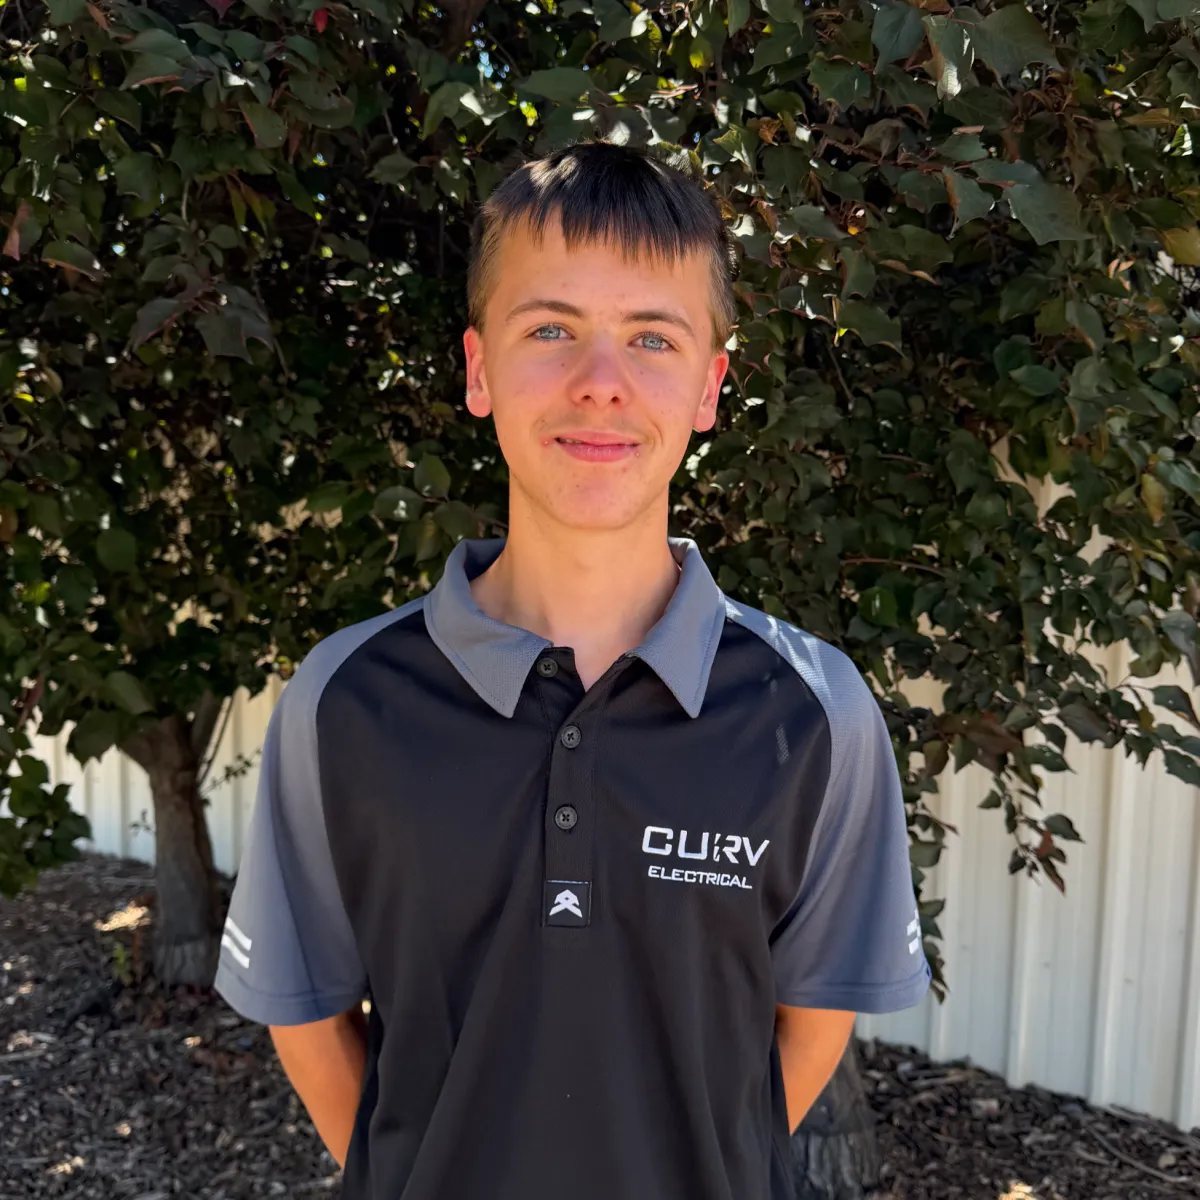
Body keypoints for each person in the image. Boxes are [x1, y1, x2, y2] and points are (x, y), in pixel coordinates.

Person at [213, 139, 930, 1200]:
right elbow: (311, 1022)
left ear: (709, 387)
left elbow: (811, 1020)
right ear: (478, 369)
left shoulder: (816, 712)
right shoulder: (344, 700)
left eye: (652, 338)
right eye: (551, 329)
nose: (600, 384)